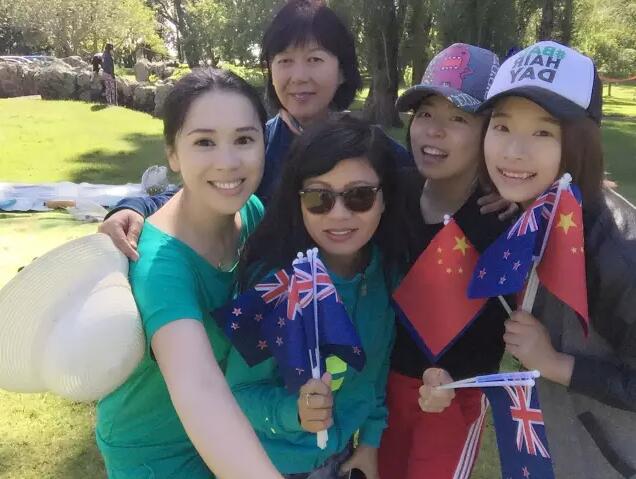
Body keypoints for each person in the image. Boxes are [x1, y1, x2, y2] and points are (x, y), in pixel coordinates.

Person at [97, 0, 412, 261]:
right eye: (284, 61)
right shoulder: (258, 144)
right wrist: (133, 208)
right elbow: (195, 192)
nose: (298, 76)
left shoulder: (374, 150)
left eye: (314, 59)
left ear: (342, 70)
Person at [95, 68, 283, 479]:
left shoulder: (251, 213)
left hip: (236, 428)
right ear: (173, 154)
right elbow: (199, 388)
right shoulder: (159, 266)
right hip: (155, 452)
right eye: (204, 142)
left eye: (244, 139)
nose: (228, 162)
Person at [479, 40, 636, 478]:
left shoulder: (619, 252)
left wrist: (555, 364)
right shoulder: (531, 211)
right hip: (556, 451)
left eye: (543, 133)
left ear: (581, 141)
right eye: (501, 126)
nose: (513, 151)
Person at [226, 116, 409, 479]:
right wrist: (294, 412)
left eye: (359, 196)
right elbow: (237, 392)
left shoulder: (387, 274)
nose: (339, 214)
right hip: (269, 466)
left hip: (341, 457)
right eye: (318, 197)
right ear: (298, 202)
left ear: (384, 198)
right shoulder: (273, 286)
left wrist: (370, 442)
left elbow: (375, 373)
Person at [377, 43, 513, 479]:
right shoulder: (393, 192)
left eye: (458, 119)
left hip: (456, 398)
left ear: (491, 132)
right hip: (386, 389)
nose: (434, 131)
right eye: (425, 114)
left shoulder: (504, 218)